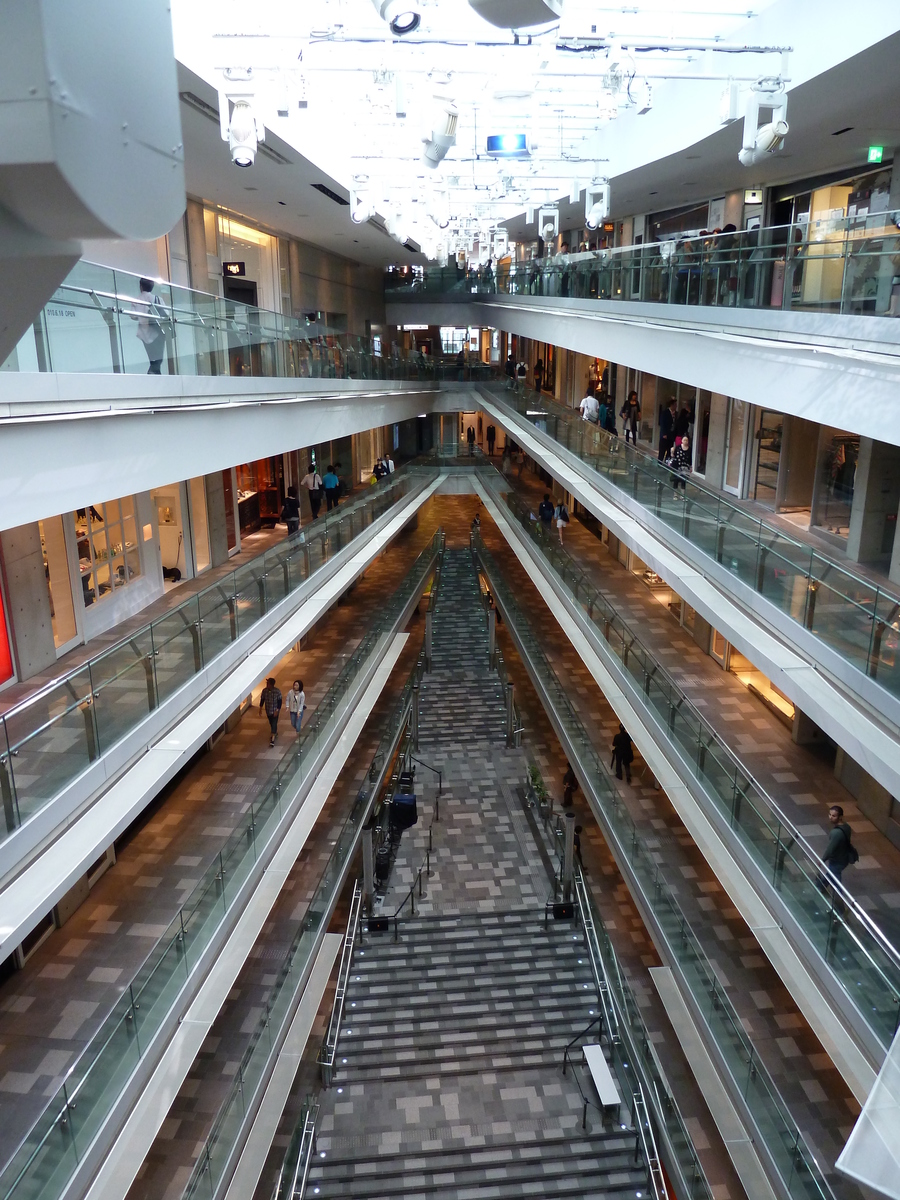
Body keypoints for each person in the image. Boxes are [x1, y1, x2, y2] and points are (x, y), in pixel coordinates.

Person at [818, 805, 857, 895]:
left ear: (840, 817)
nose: (830, 817)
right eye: (830, 815)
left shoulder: (836, 833)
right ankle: (820, 886)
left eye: (834, 816)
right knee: (831, 874)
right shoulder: (846, 827)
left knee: (836, 878)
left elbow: (830, 849)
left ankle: (839, 897)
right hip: (844, 857)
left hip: (837, 859)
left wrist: (822, 860)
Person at [132, 277, 168, 374]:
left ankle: (154, 375)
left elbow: (133, 316)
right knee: (158, 359)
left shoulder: (136, 300)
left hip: (143, 333)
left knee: (152, 358)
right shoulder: (157, 299)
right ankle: (153, 375)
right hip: (157, 331)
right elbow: (166, 313)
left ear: (141, 286)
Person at [259, 677, 283, 747]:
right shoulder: (264, 691)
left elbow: (280, 701)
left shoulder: (277, 691)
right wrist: (260, 708)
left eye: (268, 683)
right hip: (268, 710)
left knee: (274, 723)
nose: (267, 684)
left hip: (275, 710)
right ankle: (275, 732)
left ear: (271, 684)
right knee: (271, 723)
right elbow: (262, 699)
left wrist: (277, 710)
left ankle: (272, 739)